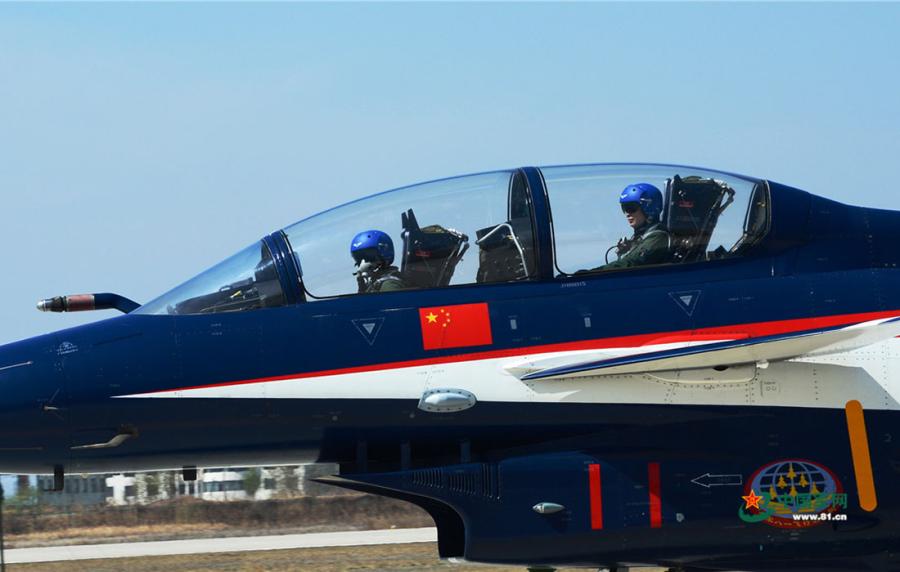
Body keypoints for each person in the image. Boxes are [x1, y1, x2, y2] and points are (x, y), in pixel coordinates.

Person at [602, 183, 670, 269]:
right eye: (624, 208)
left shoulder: (658, 237)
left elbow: (631, 263)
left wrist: (588, 274)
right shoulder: (642, 238)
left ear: (649, 208)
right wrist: (625, 252)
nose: (627, 213)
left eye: (631, 208)